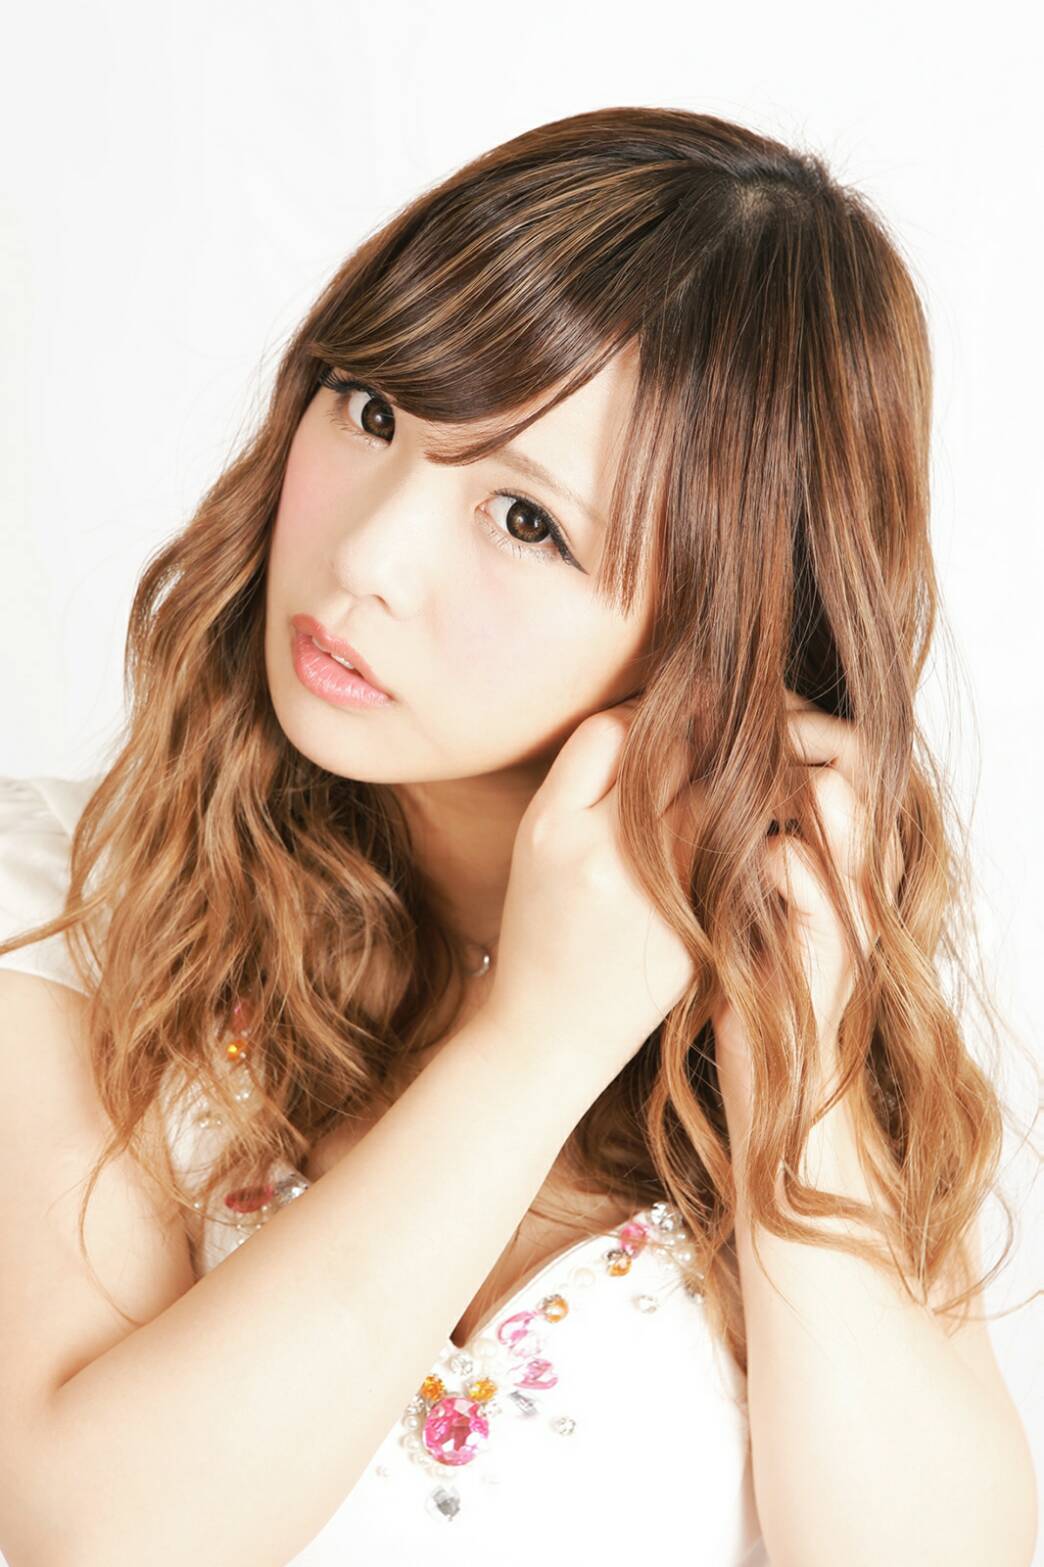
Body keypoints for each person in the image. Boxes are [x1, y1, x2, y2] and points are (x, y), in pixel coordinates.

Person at [0, 105, 1036, 1567]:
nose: (366, 556)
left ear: (729, 627)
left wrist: (795, 1041)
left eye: (527, 522)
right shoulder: (73, 903)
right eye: (372, 411)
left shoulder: (814, 1011)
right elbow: (94, 1537)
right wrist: (540, 1039)